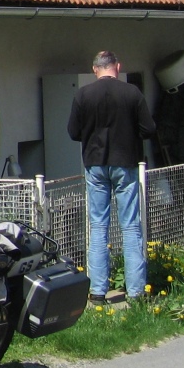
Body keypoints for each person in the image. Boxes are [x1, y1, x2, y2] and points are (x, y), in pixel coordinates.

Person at [67, 50, 156, 304]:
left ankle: (97, 292)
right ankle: (137, 293)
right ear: (117, 66)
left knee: (98, 226)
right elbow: (148, 128)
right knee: (130, 227)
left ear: (95, 69)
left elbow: (73, 132)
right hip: (125, 164)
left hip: (95, 165)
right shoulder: (132, 93)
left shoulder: (83, 94)